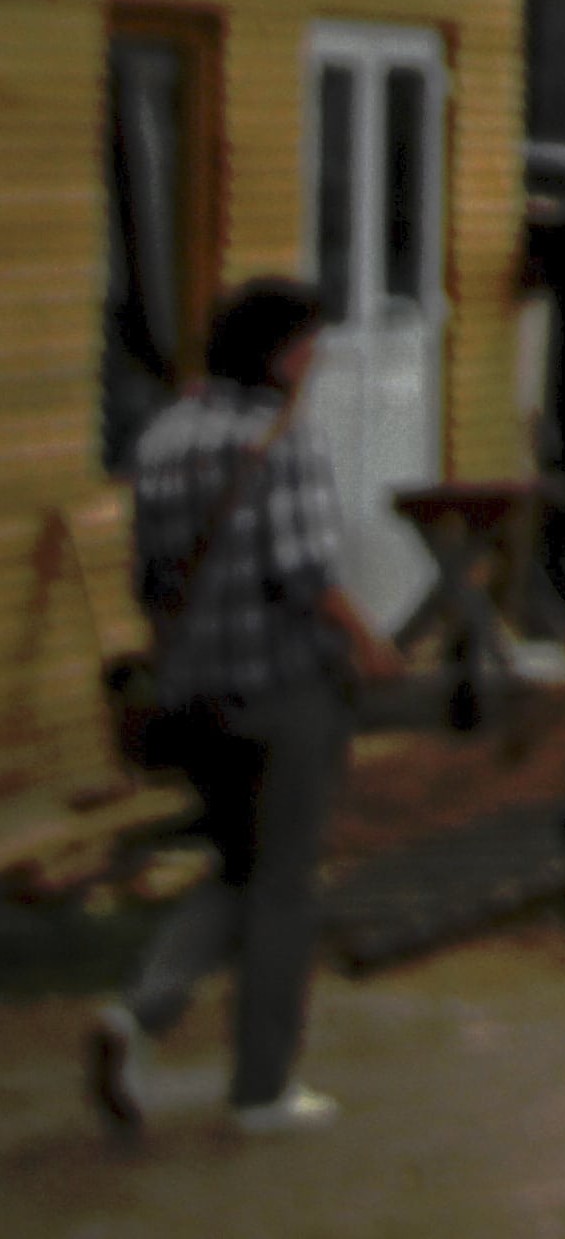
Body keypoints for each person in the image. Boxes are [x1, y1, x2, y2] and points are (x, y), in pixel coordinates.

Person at [87, 276, 408, 1141]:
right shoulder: (281, 440)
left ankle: (137, 1012)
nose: (317, 361)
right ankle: (263, 1086)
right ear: (282, 354)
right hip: (281, 689)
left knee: (237, 863)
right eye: (310, 345)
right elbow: (305, 571)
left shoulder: (165, 434)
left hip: (191, 691)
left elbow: (147, 579)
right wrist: (370, 642)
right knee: (284, 885)